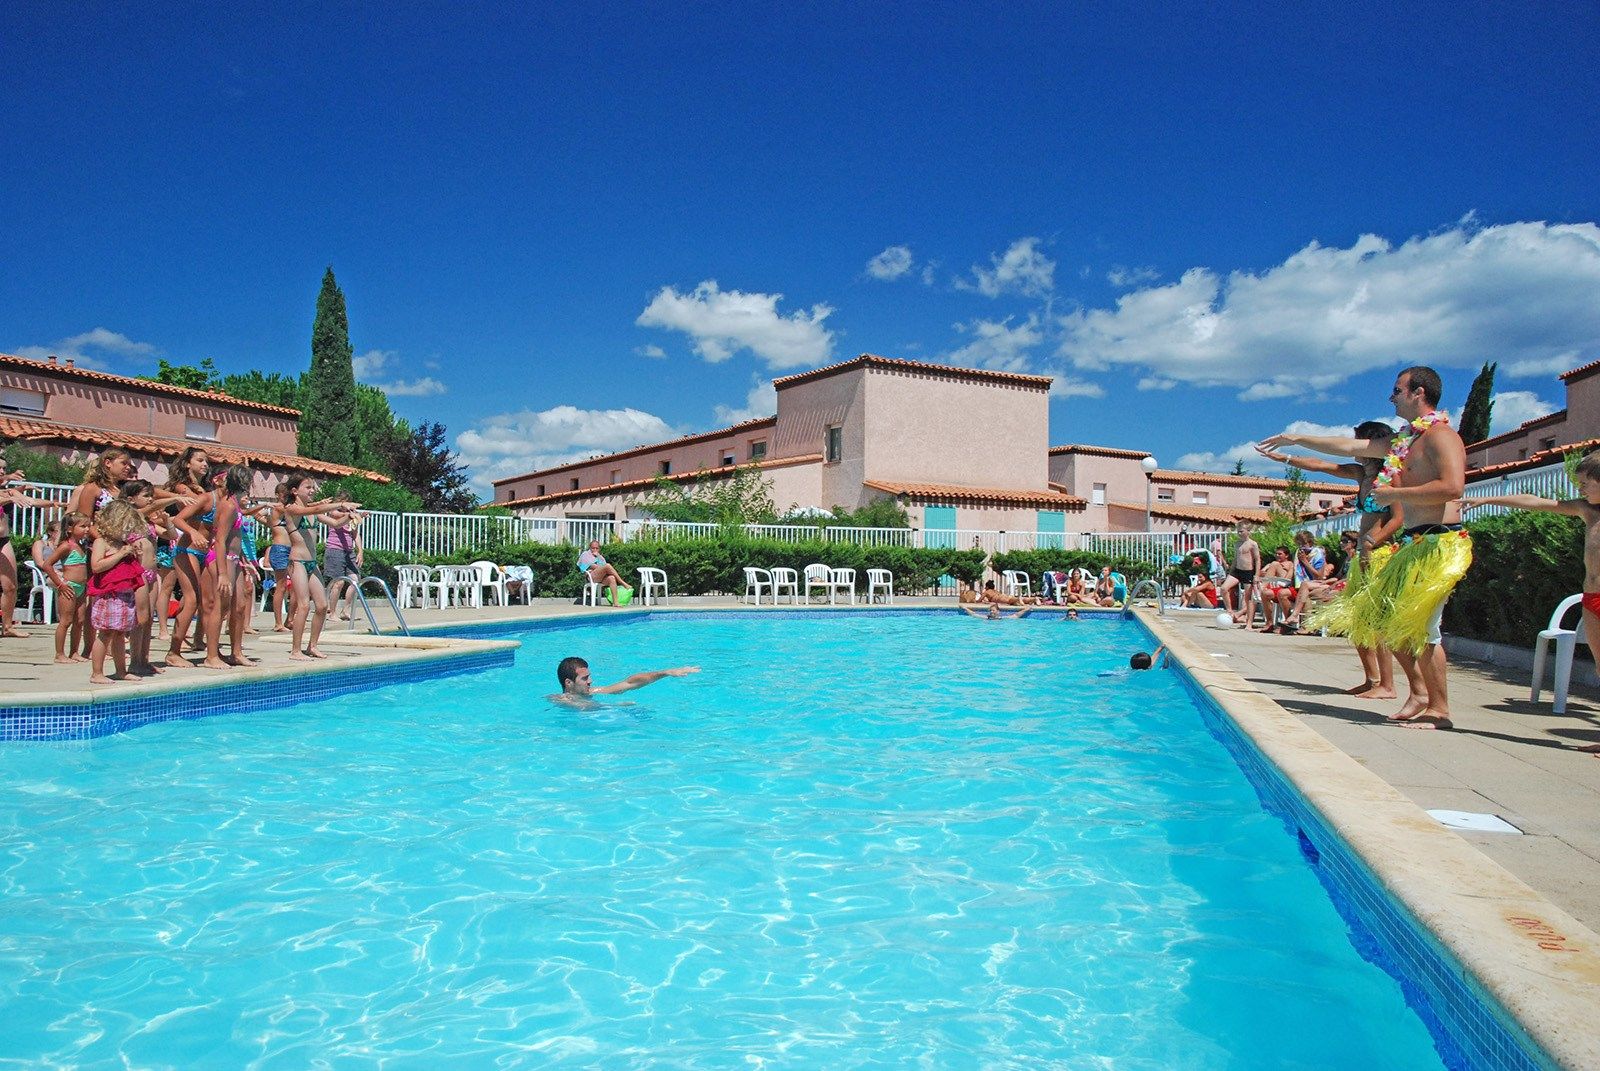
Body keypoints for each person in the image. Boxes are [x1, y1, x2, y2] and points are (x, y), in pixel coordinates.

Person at [1261, 365, 1468, 729]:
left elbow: (1453, 487)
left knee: (1425, 629)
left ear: (1418, 392)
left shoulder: (1441, 436)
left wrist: (1395, 493)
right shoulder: (1406, 441)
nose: (1391, 397)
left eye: (1397, 390)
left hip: (1441, 544)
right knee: (1389, 622)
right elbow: (1345, 447)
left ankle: (1440, 709)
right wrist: (1294, 439)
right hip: (1416, 545)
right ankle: (1420, 694)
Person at [1462, 452, 1600, 754]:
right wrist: (1488, 501)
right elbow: (1537, 501)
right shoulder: (1589, 511)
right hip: (1592, 598)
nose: (1580, 489)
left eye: (1585, 483)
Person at [1257, 421, 1403, 698]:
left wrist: (1372, 543)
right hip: (1364, 556)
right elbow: (1319, 465)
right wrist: (1284, 458)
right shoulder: (1362, 475)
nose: (1354, 448)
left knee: (1377, 621)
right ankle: (1372, 679)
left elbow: (1398, 518)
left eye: (1358, 441)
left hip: (1379, 555)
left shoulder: (1390, 475)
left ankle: (1388, 685)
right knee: (1357, 619)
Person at [279, 474, 358, 661]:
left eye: (313, 487)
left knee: (322, 606)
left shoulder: (312, 512)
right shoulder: (292, 509)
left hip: (311, 564)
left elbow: (336, 523)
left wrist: (350, 516)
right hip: (297, 562)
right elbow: (319, 508)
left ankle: (312, 646)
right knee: (304, 605)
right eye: (308, 487)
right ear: (294, 490)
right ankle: (295, 650)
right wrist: (340, 505)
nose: (312, 490)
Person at [86, 500, 147, 684]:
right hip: (108, 595)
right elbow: (96, 566)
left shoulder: (124, 543)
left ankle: (121, 671)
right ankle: (97, 673)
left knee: (120, 633)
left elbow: (133, 569)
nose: (128, 530)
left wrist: (136, 554)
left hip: (124, 594)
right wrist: (120, 554)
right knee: (105, 633)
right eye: (125, 525)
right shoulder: (101, 542)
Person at [1, 470, 62, 638]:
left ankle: (7, 627)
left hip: (3, 540)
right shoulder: (8, 493)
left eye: (4, 469)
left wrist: (53, 503)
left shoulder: (8, 491)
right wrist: (13, 496)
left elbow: (31, 502)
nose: (2, 471)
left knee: (10, 587)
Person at [44, 511, 93, 663]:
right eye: (83, 526)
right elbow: (47, 565)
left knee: (79, 621)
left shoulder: (81, 546)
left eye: (88, 526)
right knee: (65, 621)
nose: (87, 529)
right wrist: (60, 584)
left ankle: (74, 652)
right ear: (70, 528)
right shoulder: (66, 546)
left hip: (81, 587)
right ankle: (59, 654)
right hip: (69, 586)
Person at [550, 656, 699, 706]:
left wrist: (666, 672)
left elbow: (630, 683)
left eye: (589, 676)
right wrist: (617, 706)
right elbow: (581, 708)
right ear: (568, 683)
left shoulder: (593, 692)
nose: (590, 681)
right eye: (584, 678)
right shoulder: (559, 700)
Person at [68, 448, 134, 518]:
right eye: (124, 463)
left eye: (129, 465)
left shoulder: (126, 489)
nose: (128, 468)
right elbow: (84, 520)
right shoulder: (93, 488)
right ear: (108, 463)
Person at [1222, 522, 1262, 623]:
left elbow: (1257, 559)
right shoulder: (1237, 544)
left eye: (1241, 531)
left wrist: (1256, 575)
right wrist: (1230, 571)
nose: (1239, 533)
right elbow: (1236, 559)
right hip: (1237, 571)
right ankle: (1229, 610)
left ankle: (1247, 618)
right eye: (1238, 531)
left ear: (1248, 531)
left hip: (1248, 571)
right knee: (1223, 588)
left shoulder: (1253, 544)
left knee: (1248, 598)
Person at [1254, 546, 1296, 632]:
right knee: (1265, 594)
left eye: (1280, 554)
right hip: (1278, 587)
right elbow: (1261, 573)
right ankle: (1269, 623)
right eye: (1276, 554)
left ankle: (1287, 625)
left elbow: (1288, 579)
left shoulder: (1291, 564)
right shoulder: (1276, 564)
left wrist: (1289, 568)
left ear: (1287, 555)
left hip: (1288, 586)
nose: (1277, 555)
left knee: (1274, 564)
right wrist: (1266, 568)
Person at [577, 540, 632, 605]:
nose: (595, 549)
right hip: (591, 576)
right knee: (608, 566)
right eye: (593, 548)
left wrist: (598, 557)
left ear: (599, 548)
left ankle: (616, 602)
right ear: (590, 547)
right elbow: (593, 566)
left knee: (612, 578)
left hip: (602, 577)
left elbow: (604, 567)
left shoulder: (600, 557)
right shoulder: (585, 554)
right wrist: (602, 567)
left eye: (597, 548)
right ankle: (622, 582)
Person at [960, 603, 1032, 620]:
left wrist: (1026, 609)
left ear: (998, 611)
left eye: (993, 610)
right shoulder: (986, 618)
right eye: (990, 610)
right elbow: (973, 614)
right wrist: (965, 608)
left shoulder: (1002, 619)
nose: (991, 612)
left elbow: (1016, 615)